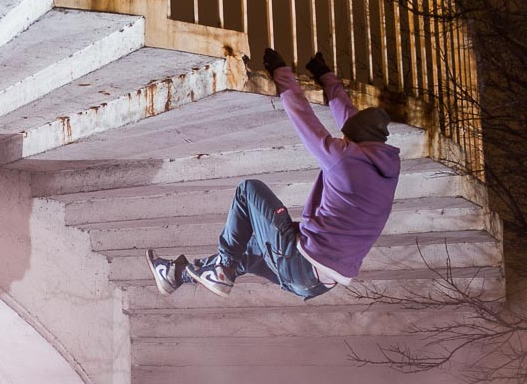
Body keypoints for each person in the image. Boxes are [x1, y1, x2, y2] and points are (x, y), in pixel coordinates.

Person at [146, 48, 401, 301]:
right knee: (247, 249)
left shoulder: (342, 158)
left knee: (248, 191)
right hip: (315, 283)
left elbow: (303, 117)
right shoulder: (387, 166)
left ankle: (222, 268)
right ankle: (176, 274)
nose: (342, 138)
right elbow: (352, 121)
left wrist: (282, 72)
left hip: (301, 262)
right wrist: (326, 76)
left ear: (353, 140)